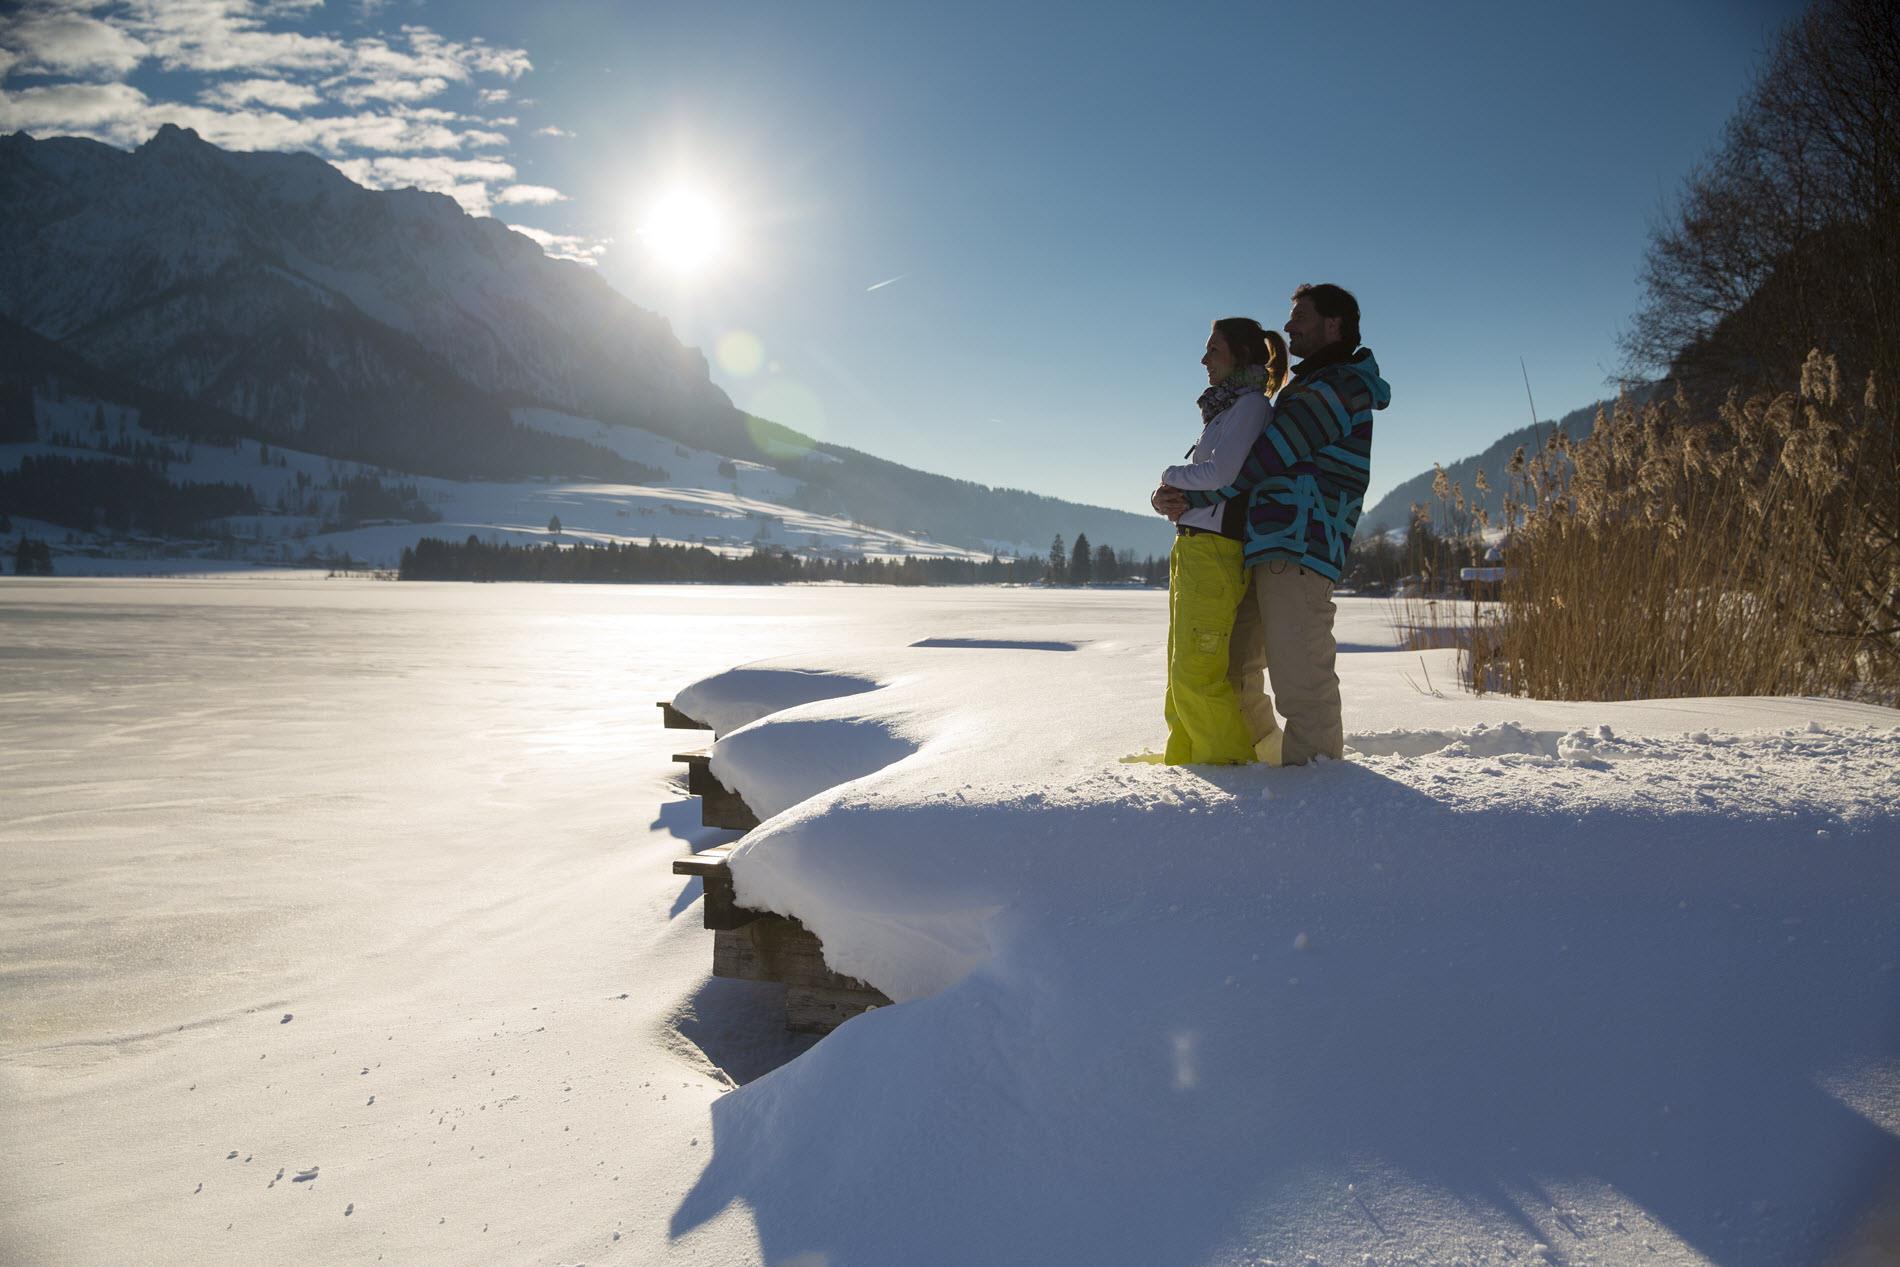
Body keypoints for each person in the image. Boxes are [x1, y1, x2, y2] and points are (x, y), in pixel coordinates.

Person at [1155, 284, 1390, 765]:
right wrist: (1179, 498)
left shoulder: (1337, 388)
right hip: (1264, 546)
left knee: (1300, 675)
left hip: (1302, 546)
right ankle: (1259, 766)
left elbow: (1264, 460)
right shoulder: (1306, 387)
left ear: (1334, 324)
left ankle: (1318, 782)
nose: (1287, 326)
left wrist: (1187, 496)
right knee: (1237, 669)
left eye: (1300, 317)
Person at [1151, 317, 1287, 764]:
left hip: (1216, 551)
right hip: (1193, 547)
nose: (1204, 359)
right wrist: (1164, 498)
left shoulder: (1250, 406)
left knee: (1198, 674)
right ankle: (1184, 761)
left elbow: (1222, 474)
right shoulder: (1225, 412)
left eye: (1214, 350)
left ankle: (1229, 770)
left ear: (1240, 356)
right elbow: (1205, 485)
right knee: (1180, 671)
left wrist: (1169, 475)